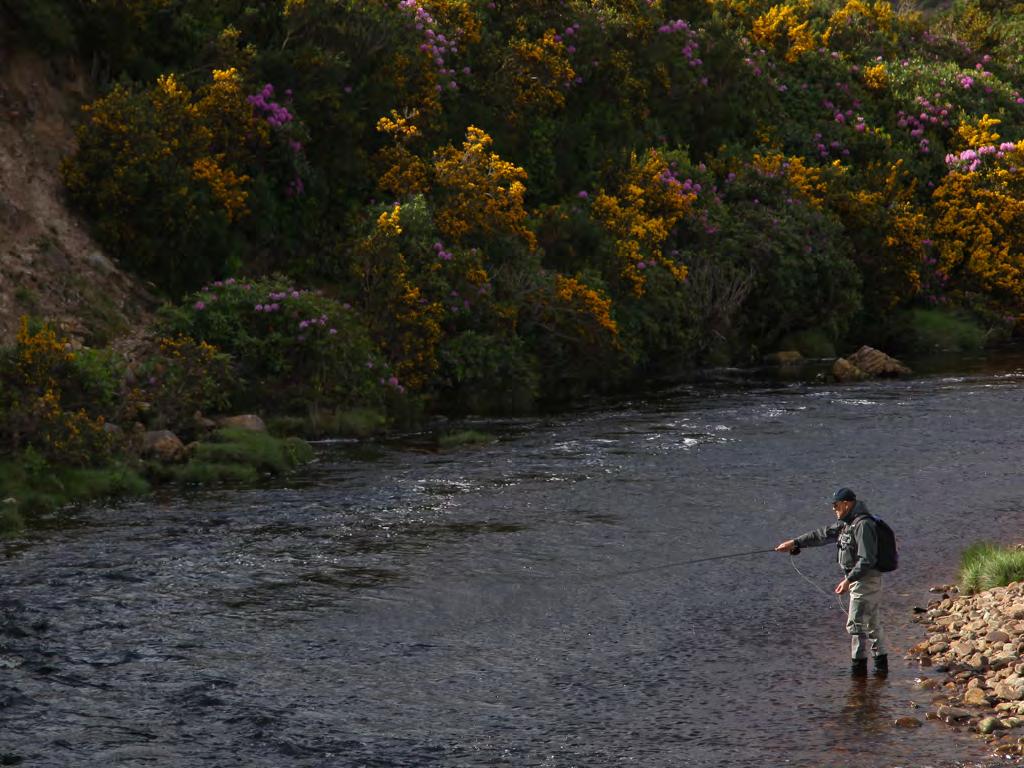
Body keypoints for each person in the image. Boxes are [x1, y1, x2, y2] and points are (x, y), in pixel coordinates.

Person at [775, 487, 888, 678]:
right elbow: (822, 534)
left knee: (856, 625)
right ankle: (880, 672)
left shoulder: (862, 525)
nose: (833, 509)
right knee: (872, 624)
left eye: (835, 505)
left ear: (846, 504)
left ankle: (858, 675)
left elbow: (867, 560)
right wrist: (794, 543)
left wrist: (848, 580)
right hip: (859, 580)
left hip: (865, 580)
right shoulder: (846, 523)